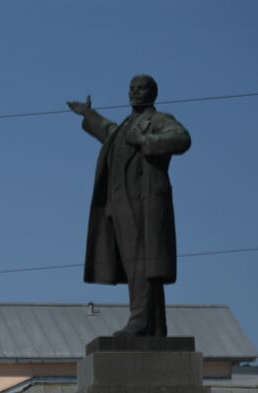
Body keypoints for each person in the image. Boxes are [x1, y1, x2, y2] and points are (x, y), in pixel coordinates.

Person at [67, 74, 191, 338]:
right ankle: (154, 325)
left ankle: (141, 321)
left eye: (141, 88)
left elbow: (181, 138)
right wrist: (89, 114)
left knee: (144, 264)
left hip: (145, 202)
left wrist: (146, 142)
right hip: (122, 204)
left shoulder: (157, 120)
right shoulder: (126, 125)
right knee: (140, 264)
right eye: (132, 88)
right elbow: (109, 133)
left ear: (153, 93)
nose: (135, 92)